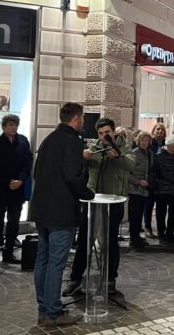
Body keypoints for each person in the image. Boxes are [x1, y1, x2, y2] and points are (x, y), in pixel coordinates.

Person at [30, 102, 95, 327]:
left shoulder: (49, 139)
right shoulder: (72, 141)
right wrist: (87, 193)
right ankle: (53, 312)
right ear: (76, 119)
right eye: (83, 118)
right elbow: (73, 176)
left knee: (43, 260)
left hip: (42, 210)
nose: (84, 122)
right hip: (61, 212)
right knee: (56, 263)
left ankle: (44, 307)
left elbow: (37, 172)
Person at [63, 118, 134, 296]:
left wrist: (118, 156)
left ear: (113, 132)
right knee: (85, 240)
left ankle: (110, 279)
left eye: (107, 132)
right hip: (93, 200)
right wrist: (83, 157)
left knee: (110, 242)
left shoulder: (123, 146)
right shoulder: (94, 148)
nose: (104, 136)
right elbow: (80, 169)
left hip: (114, 200)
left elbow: (131, 165)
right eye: (101, 133)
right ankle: (76, 279)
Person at [0, 114, 32, 268]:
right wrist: (8, 181)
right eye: (10, 125)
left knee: (14, 223)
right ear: (4, 126)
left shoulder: (23, 141)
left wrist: (20, 180)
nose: (13, 128)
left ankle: (9, 251)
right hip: (0, 188)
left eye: (15, 125)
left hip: (17, 188)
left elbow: (28, 163)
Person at [151, 135, 174, 244]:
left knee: (173, 212)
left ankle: (170, 234)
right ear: (168, 145)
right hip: (162, 189)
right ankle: (161, 234)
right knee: (161, 213)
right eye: (173, 148)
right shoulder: (159, 155)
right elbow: (162, 173)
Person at [128, 131, 153, 248]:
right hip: (135, 189)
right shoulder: (134, 153)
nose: (145, 143)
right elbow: (128, 173)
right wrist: (138, 181)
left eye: (147, 141)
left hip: (145, 189)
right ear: (138, 141)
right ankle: (133, 239)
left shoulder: (150, 154)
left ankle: (137, 237)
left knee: (139, 215)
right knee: (134, 215)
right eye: (143, 140)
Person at [143, 123, 167, 239]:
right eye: (158, 129)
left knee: (161, 206)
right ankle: (148, 227)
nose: (160, 131)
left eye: (162, 129)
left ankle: (161, 228)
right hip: (151, 178)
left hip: (162, 179)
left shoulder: (166, 144)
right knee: (149, 204)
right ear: (154, 130)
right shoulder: (149, 143)